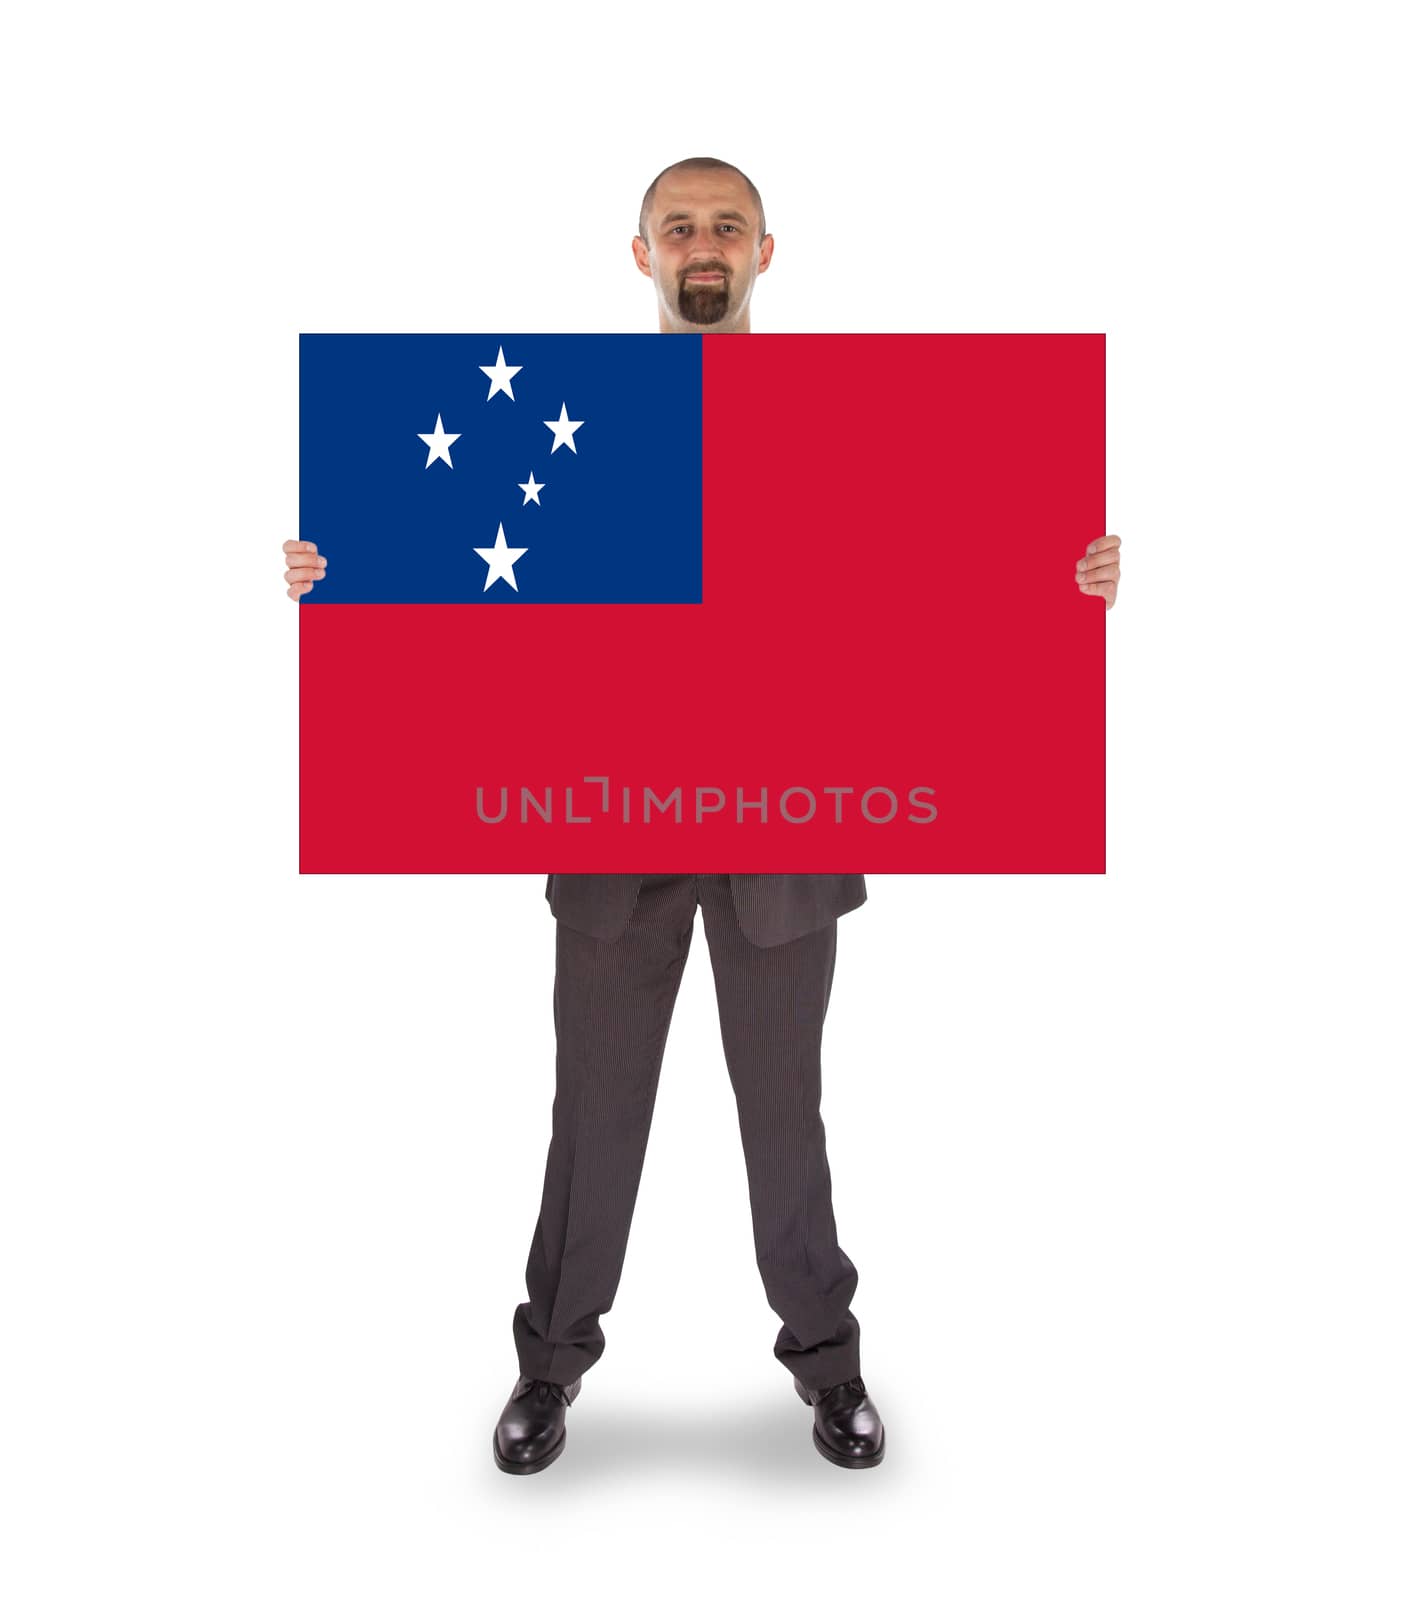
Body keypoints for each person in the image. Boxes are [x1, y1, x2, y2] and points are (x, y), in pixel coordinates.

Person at [282, 156, 1123, 1476]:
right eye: (679, 227)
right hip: (614, 827)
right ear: (642, 257)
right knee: (593, 1115)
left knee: (785, 1117)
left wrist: (1058, 576)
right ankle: (548, 1367)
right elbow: (477, 580)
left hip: (782, 829)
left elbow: (932, 574)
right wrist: (347, 573)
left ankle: (826, 1364)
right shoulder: (568, 424)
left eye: (724, 224)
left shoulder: (844, 421)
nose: (702, 244)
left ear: (764, 252)